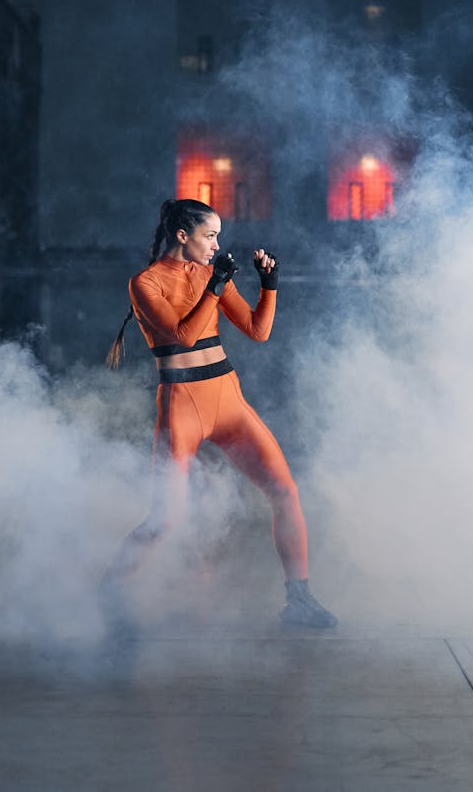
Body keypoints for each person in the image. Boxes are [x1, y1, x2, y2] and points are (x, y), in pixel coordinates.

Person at [105, 197, 336, 629]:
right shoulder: (145, 283)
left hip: (227, 399)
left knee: (285, 492)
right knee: (165, 519)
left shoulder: (212, 273)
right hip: (182, 407)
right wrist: (214, 289)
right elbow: (183, 337)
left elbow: (258, 331)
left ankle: (299, 601)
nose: (216, 245)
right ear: (182, 236)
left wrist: (269, 285)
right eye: (210, 236)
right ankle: (109, 593)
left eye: (217, 237)